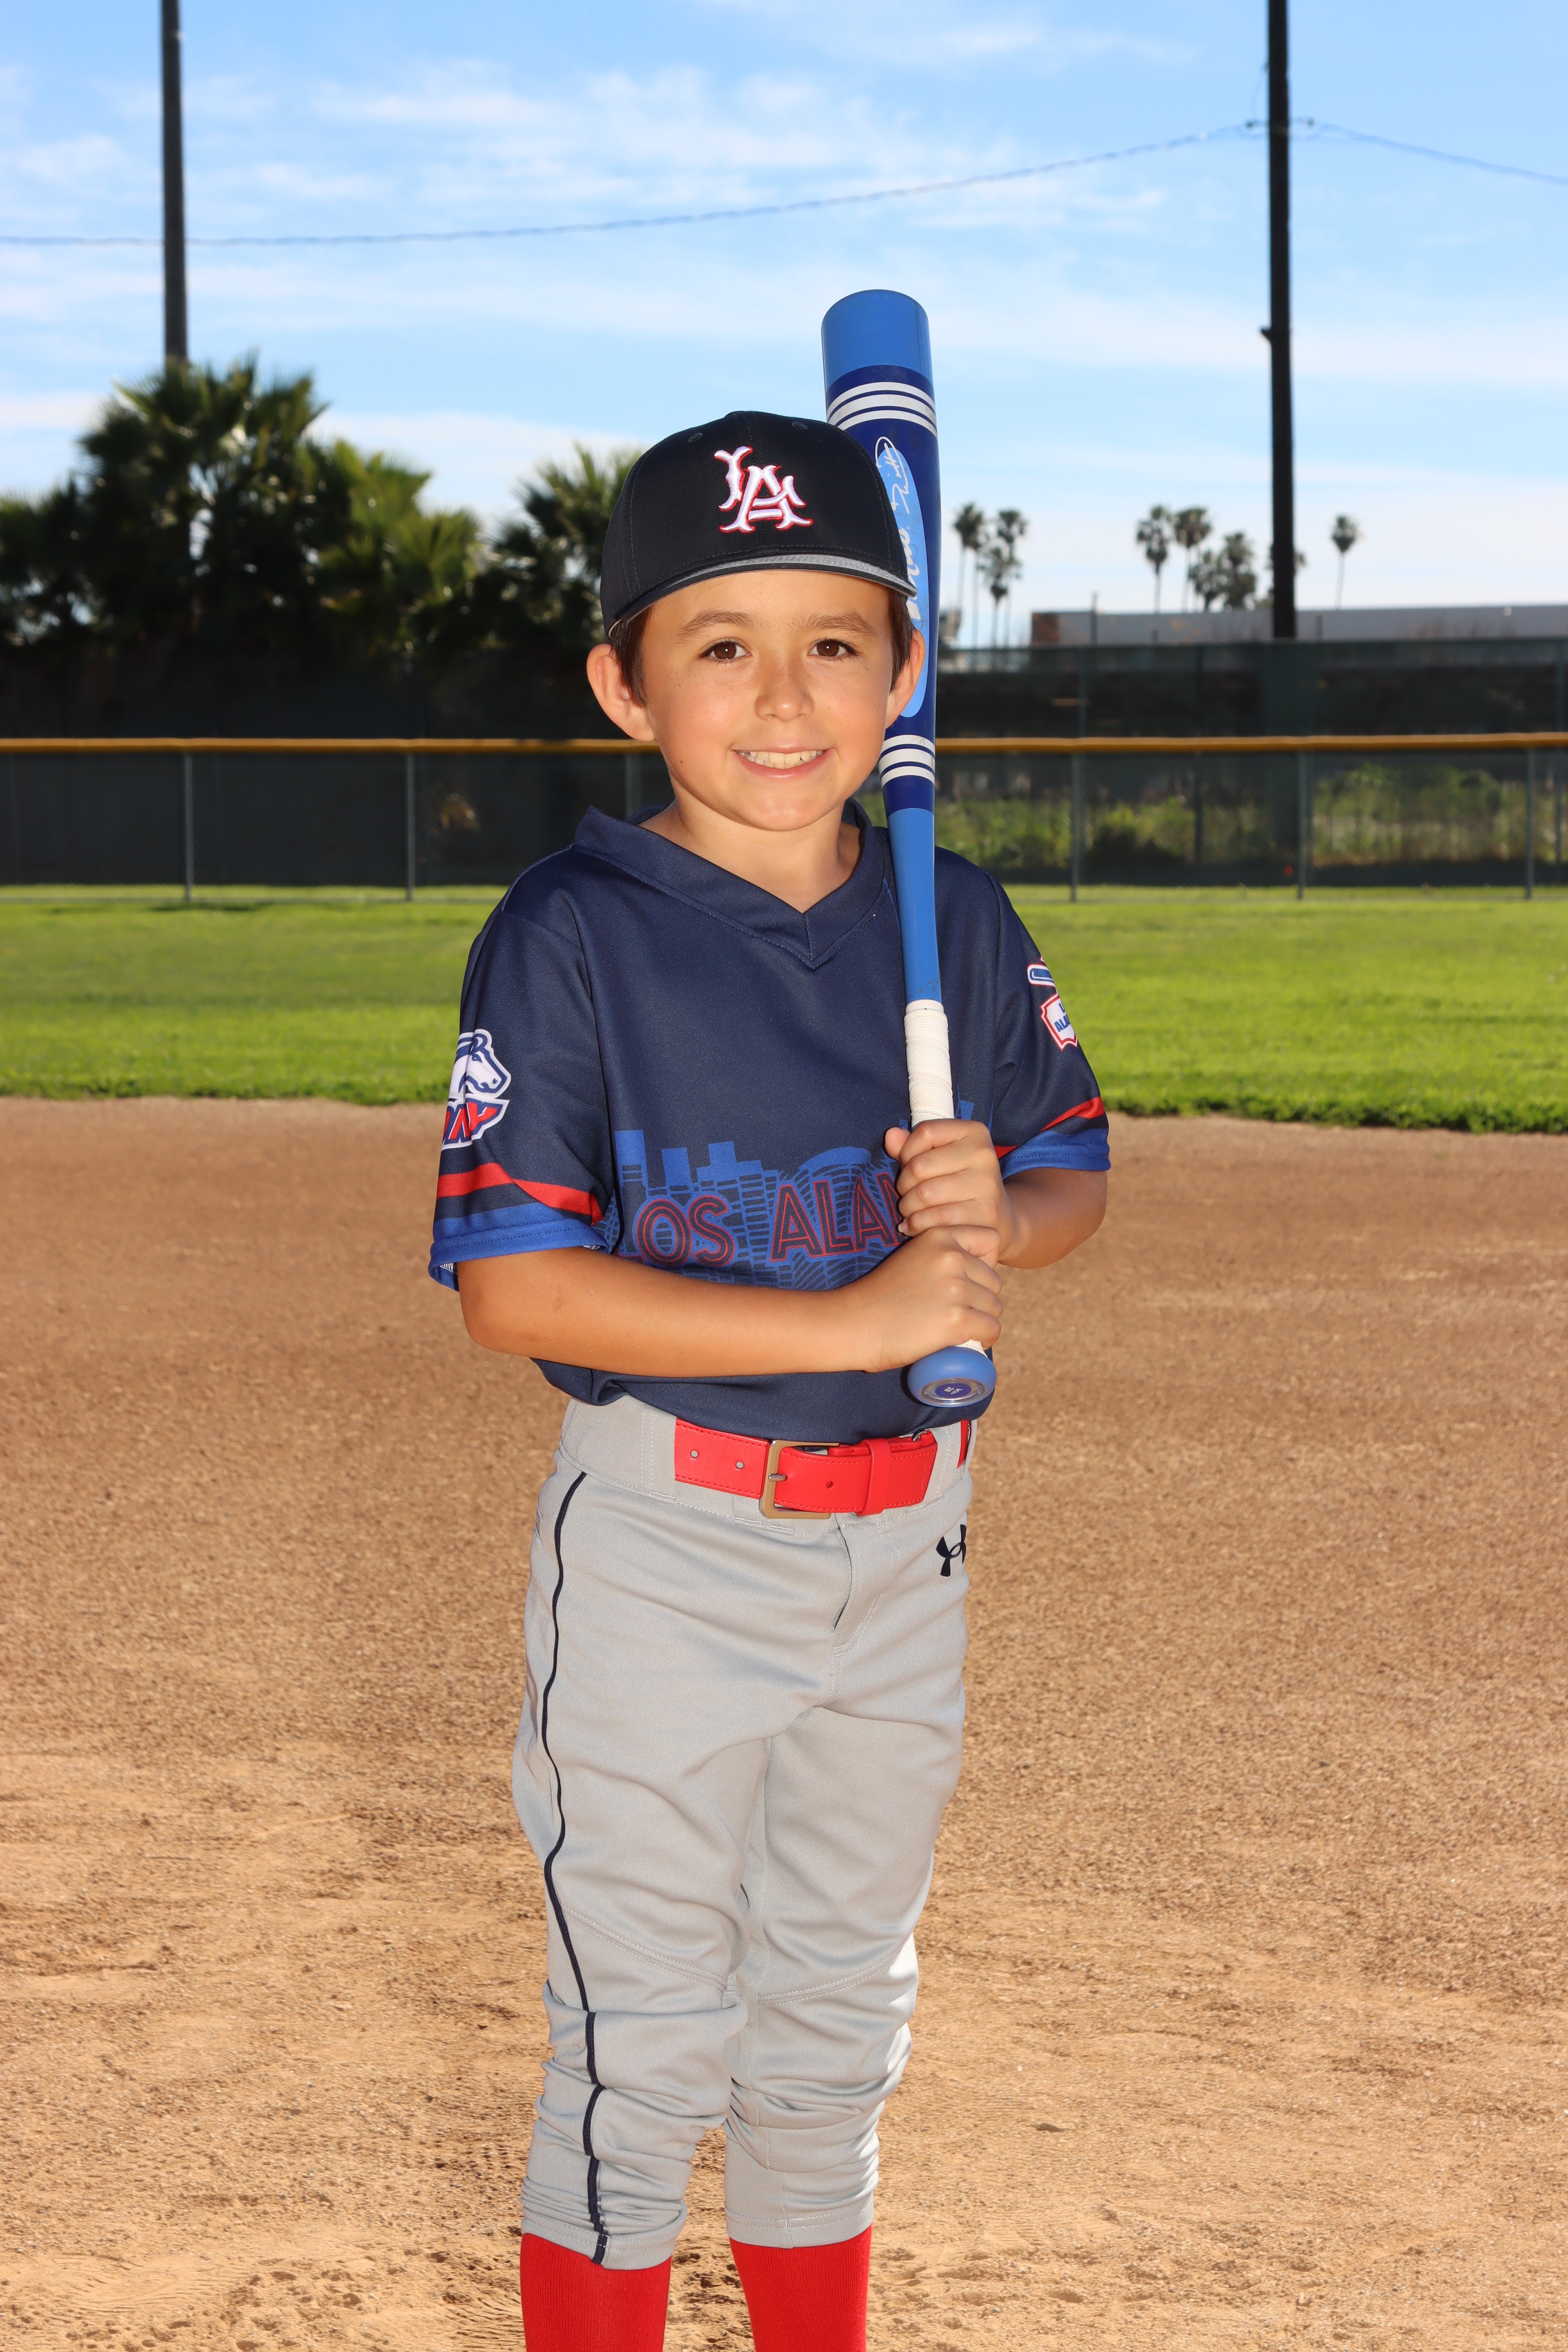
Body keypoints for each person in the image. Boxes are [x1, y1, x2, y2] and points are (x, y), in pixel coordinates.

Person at [430, 411, 1109, 2352]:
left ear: (904, 675)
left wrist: (994, 1221)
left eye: (833, 642)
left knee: (831, 2029)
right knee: (640, 2050)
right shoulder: (572, 934)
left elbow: (1067, 1172)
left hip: (906, 1557)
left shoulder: (951, 917)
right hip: (670, 1550)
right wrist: (861, 1320)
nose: (785, 695)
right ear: (623, 685)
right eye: (720, 644)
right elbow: (514, 1287)